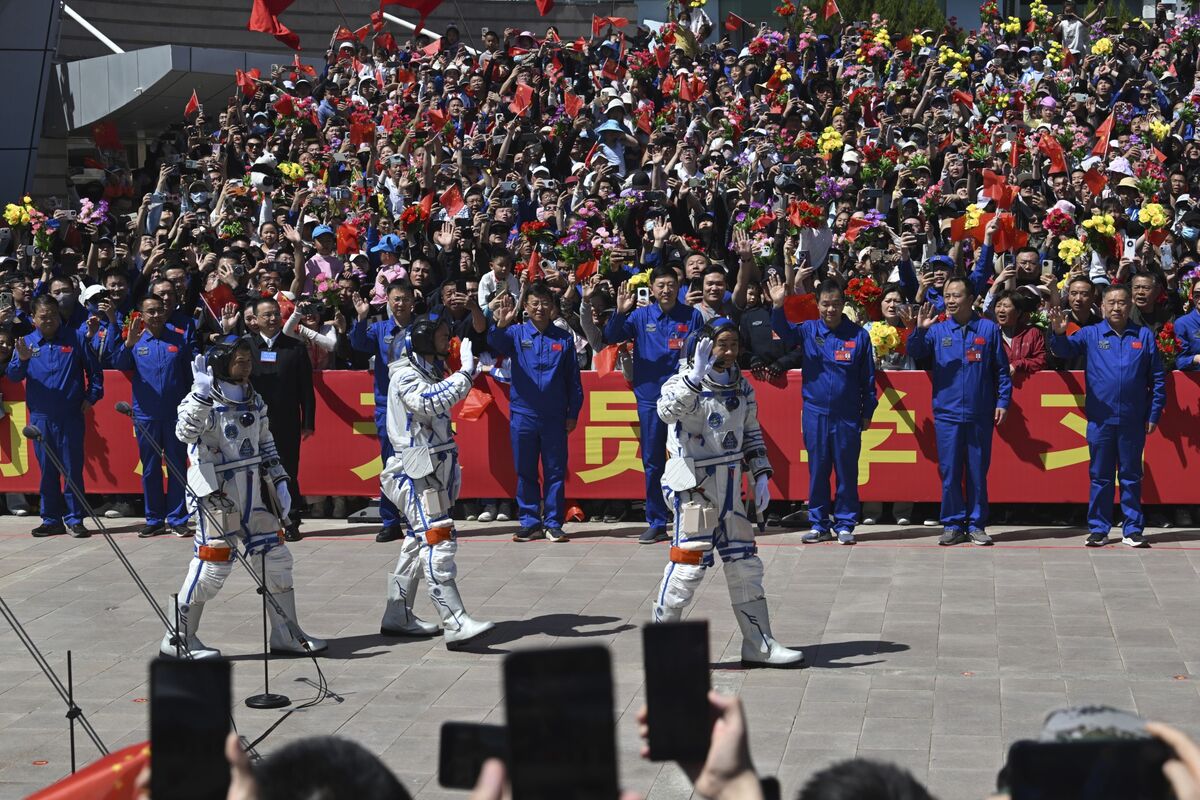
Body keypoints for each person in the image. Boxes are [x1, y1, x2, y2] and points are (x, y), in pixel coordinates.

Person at [652, 318, 804, 668]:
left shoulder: (742, 388)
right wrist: (694, 376)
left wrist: (762, 475)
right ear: (704, 346)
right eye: (722, 344)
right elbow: (666, 412)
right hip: (695, 488)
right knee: (686, 568)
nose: (730, 351)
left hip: (732, 484)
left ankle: (759, 645)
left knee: (745, 565)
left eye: (734, 344)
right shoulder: (682, 382)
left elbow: (751, 432)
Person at [162, 335, 326, 658]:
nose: (246, 365)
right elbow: (184, 433)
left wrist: (279, 479)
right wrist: (199, 396)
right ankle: (178, 638)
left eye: (248, 360)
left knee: (276, 561)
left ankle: (286, 634)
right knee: (212, 568)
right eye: (240, 360)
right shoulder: (205, 397)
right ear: (222, 362)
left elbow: (266, 440)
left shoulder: (254, 398)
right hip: (219, 495)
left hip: (256, 490)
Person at [378, 315, 494, 647]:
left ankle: (397, 614)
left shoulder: (429, 371)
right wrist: (465, 375)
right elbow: (426, 401)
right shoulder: (404, 374)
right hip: (414, 473)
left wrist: (459, 375)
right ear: (423, 340)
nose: (449, 341)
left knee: (417, 542)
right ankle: (455, 620)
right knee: (439, 539)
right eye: (443, 336)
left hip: (432, 469)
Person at [1048, 285, 1167, 547]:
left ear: (1129, 307)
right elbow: (1063, 350)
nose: (1116, 307)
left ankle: (1133, 529)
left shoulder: (1144, 337)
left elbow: (1157, 379)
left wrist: (1153, 413)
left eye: (1121, 303)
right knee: (1100, 477)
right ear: (1102, 307)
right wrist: (1057, 332)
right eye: (1111, 303)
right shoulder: (1090, 334)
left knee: (1131, 476)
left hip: (1133, 421)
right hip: (1100, 421)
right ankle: (1099, 529)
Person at [768, 277, 877, 545]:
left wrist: (867, 412)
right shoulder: (808, 331)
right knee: (818, 470)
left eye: (836, 304)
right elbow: (783, 329)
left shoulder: (859, 335)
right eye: (826, 304)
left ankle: (845, 523)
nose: (831, 309)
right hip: (815, 414)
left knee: (847, 471)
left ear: (843, 305)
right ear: (817, 305)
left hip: (848, 416)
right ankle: (819, 523)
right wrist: (778, 305)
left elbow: (868, 380)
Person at [604, 266, 705, 544]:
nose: (666, 290)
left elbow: (700, 355)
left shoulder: (692, 315)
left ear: (678, 286)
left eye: (671, 285)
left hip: (685, 400)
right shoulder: (639, 316)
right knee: (653, 462)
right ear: (652, 287)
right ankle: (657, 521)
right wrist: (621, 311)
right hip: (650, 398)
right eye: (660, 285)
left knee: (689, 458)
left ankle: (691, 520)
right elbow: (611, 336)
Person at [907, 277, 1012, 546]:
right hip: (947, 414)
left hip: (979, 414)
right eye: (947, 296)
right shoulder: (937, 330)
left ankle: (977, 525)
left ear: (970, 297)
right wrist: (918, 330)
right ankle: (952, 524)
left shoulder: (988, 329)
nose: (951, 301)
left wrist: (1002, 401)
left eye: (956, 295)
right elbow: (916, 353)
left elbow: (1001, 370)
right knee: (950, 472)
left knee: (977, 472)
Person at [487, 283, 584, 542]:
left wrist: (573, 412)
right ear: (526, 308)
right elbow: (495, 343)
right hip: (523, 414)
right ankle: (530, 521)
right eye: (534, 303)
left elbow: (573, 380)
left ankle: (553, 522)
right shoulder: (516, 333)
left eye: (544, 303)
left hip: (554, 416)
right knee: (525, 469)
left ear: (552, 306)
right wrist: (500, 325)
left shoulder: (563, 338)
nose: (540, 308)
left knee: (554, 471)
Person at [5, 295, 102, 538]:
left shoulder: (76, 338)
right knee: (47, 470)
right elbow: (14, 376)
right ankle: (51, 520)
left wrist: (90, 398)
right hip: (41, 419)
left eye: (52, 315)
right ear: (34, 319)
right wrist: (23, 360)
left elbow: (96, 374)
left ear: (59, 317)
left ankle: (75, 519)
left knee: (72, 470)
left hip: (70, 417)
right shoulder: (26, 343)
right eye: (43, 316)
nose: (48, 320)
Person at [111, 295, 194, 538]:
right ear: (142, 315)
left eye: (159, 310)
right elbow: (118, 363)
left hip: (174, 415)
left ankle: (178, 518)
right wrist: (127, 344)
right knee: (150, 469)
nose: (156, 315)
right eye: (150, 311)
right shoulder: (135, 339)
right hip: (145, 416)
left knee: (178, 467)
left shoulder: (179, 339)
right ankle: (154, 518)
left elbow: (189, 375)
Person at [350, 280, 415, 543]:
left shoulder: (421, 328)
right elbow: (358, 344)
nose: (400, 304)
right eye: (395, 299)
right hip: (387, 406)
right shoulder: (378, 329)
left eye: (405, 299)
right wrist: (362, 317)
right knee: (389, 463)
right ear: (387, 300)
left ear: (413, 301)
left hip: (415, 406)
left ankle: (415, 517)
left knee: (415, 461)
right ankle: (390, 520)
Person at [248, 297, 315, 542]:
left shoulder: (294, 348)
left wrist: (308, 421)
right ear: (254, 320)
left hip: (286, 420)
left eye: (276, 313)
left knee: (287, 470)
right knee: (257, 471)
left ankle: (291, 519)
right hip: (254, 423)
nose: (273, 318)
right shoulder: (247, 347)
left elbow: (306, 388)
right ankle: (263, 519)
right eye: (266, 315)